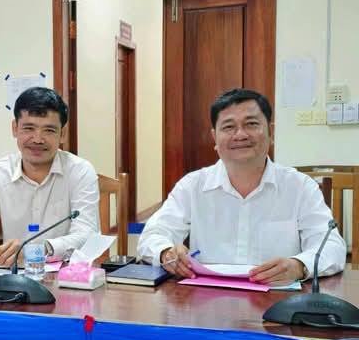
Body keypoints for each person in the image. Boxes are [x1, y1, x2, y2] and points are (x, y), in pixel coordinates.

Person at [137, 88, 346, 284]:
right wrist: (166, 253)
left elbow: (331, 246)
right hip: (206, 299)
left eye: (251, 124)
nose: (240, 135)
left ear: (271, 132)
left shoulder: (300, 187)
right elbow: (152, 235)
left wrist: (299, 266)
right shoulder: (192, 186)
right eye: (229, 127)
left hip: (277, 299)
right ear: (215, 138)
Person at [0, 87, 99, 270]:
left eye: (49, 130)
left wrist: (39, 250)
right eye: (29, 128)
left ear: (62, 134)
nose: (37, 139)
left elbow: (87, 235)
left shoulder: (80, 171)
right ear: (15, 128)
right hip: (12, 274)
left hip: (66, 275)